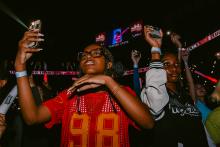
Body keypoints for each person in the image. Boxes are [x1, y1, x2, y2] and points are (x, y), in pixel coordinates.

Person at [14, 29, 154, 147]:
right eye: (84, 55)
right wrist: (20, 66)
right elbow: (32, 117)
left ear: (109, 64)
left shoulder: (122, 93)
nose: (88, 56)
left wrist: (108, 81)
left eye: (96, 53)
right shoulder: (69, 95)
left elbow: (148, 123)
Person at [141, 26, 208, 147]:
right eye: (166, 64)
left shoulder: (186, 96)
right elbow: (155, 102)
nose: (174, 68)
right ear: (159, 69)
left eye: (176, 65)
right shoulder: (151, 93)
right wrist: (155, 48)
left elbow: (189, 80)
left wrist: (179, 46)